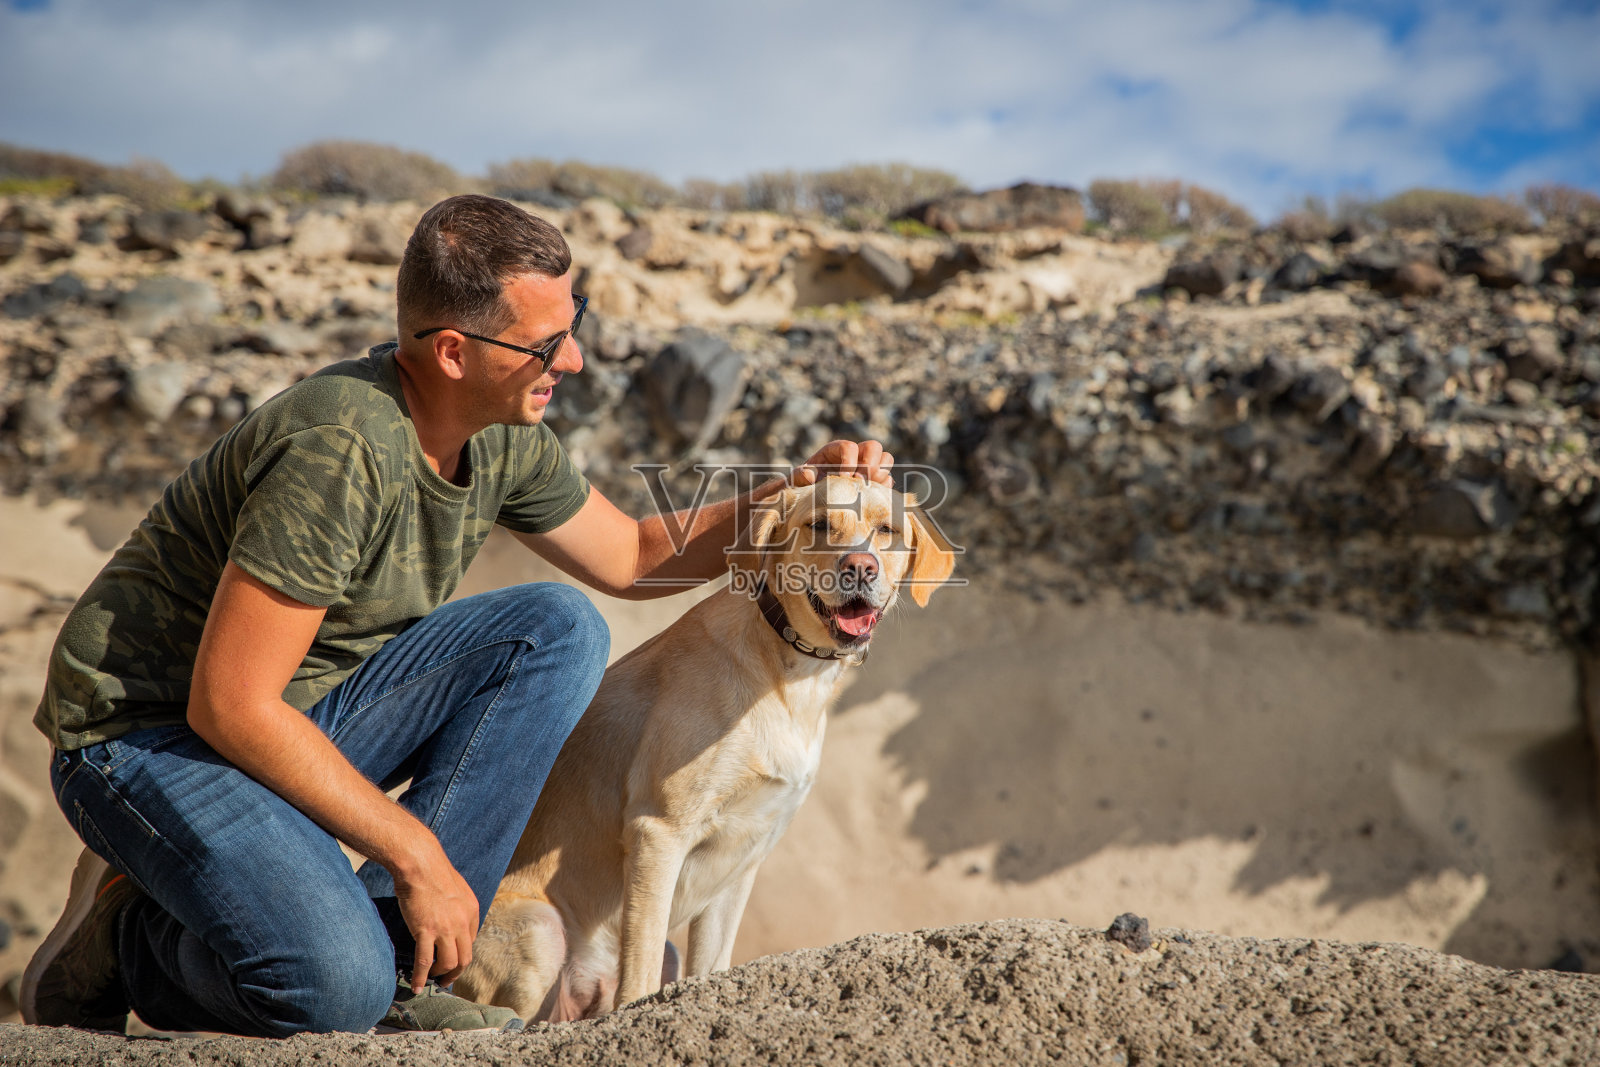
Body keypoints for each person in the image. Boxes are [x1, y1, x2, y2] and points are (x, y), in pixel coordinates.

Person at [23, 194, 893, 1037]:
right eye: (548, 341)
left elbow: (631, 558)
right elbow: (229, 705)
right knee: (334, 987)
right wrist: (415, 851)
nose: (576, 359)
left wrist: (794, 490)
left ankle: (414, 966)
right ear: (451, 352)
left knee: (560, 625)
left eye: (575, 319)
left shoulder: (500, 430)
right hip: (152, 736)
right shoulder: (341, 449)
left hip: (298, 709)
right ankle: (131, 939)